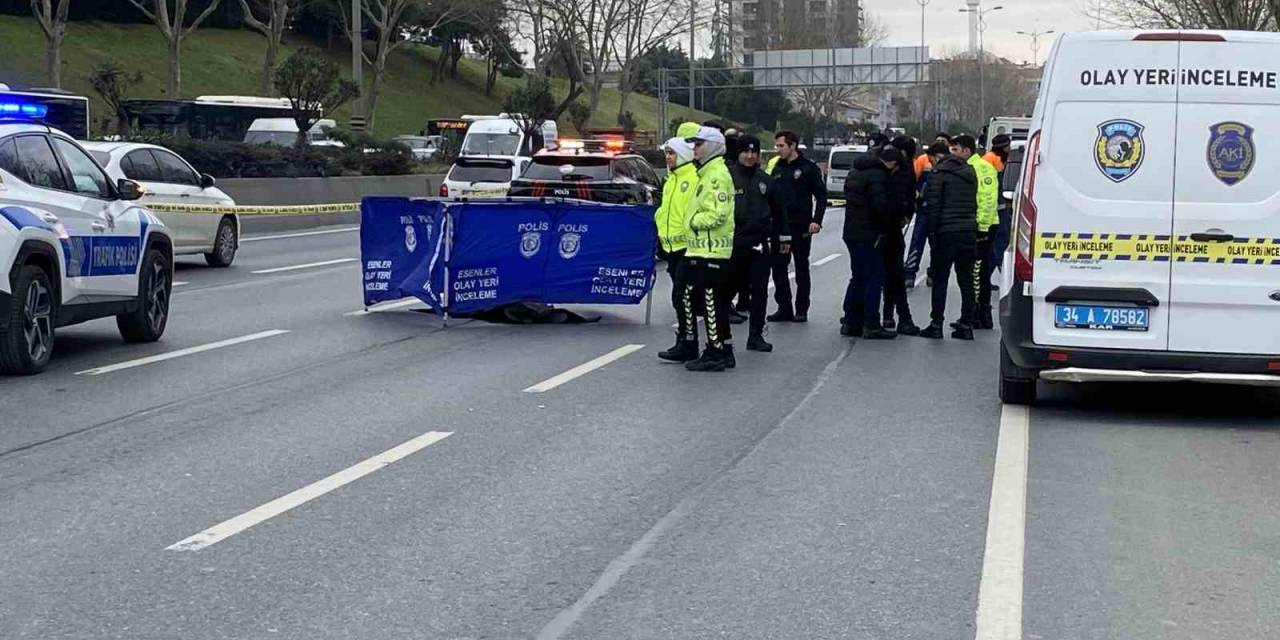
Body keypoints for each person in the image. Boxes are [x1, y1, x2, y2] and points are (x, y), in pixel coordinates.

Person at [679, 126, 737, 372]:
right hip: (702, 248)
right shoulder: (707, 172)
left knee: (711, 302)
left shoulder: (716, 175)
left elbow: (718, 213)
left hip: (711, 249)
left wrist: (692, 222)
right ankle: (724, 349)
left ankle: (715, 351)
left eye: (699, 144)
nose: (694, 149)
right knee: (714, 301)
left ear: (712, 146)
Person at [723, 134, 782, 352]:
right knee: (725, 291)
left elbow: (779, 213)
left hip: (759, 243)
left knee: (759, 292)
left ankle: (756, 336)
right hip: (733, 243)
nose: (749, 156)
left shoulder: (765, 180)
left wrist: (783, 238)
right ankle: (721, 338)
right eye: (745, 152)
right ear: (738, 153)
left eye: (754, 152)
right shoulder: (727, 178)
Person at [840, 145, 903, 340]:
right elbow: (880, 207)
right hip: (870, 233)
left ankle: (850, 321)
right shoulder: (878, 175)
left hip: (852, 231)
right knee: (874, 277)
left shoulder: (856, 171)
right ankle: (871, 323)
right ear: (892, 163)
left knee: (858, 276)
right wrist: (888, 226)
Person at [920, 141, 978, 340]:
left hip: (946, 232)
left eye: (931, 160)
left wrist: (931, 234)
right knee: (966, 280)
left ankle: (936, 324)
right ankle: (966, 324)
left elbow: (933, 207)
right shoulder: (970, 172)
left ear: (938, 157)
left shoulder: (939, 175)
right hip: (968, 231)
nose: (931, 164)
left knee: (940, 280)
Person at [767, 130, 827, 323]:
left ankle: (801, 309)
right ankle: (784, 307)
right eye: (776, 146)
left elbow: (821, 195)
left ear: (792, 145)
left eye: (781, 146)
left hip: (800, 227)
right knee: (779, 268)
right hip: (780, 228)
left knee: (801, 268)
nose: (778, 150)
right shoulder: (777, 167)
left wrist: (816, 220)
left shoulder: (808, 168)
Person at [656, 135, 701, 362]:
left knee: (682, 297)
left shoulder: (692, 178)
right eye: (666, 153)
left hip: (687, 247)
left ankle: (689, 342)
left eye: (672, 153)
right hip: (671, 247)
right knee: (680, 298)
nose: (668, 157)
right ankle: (684, 339)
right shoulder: (670, 179)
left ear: (683, 154)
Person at [953, 134, 999, 329]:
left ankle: (980, 314)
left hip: (984, 226)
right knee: (973, 271)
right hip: (974, 225)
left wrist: (982, 227)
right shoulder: (965, 167)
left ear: (966, 150)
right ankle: (974, 313)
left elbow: (988, 199)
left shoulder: (982, 168)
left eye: (955, 149)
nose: (953, 153)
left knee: (978, 271)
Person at [880, 135, 920, 335]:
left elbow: (910, 195)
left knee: (890, 274)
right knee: (893, 274)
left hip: (888, 227)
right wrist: (905, 214)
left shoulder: (899, 167)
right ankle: (899, 317)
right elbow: (908, 196)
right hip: (887, 226)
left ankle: (887, 315)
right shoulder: (899, 168)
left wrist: (906, 215)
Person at [905, 132, 952, 288]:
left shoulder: (950, 163)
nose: (940, 143)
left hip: (941, 211)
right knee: (917, 242)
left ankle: (933, 273)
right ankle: (909, 272)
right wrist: (915, 194)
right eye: (938, 140)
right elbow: (911, 179)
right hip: (924, 209)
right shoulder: (923, 160)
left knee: (937, 245)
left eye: (943, 141)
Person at [985, 133, 1013, 273]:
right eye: (1008, 145)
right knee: (1000, 238)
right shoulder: (992, 159)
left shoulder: (996, 158)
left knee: (999, 238)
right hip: (995, 206)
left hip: (999, 205)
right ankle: (1000, 266)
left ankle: (991, 272)